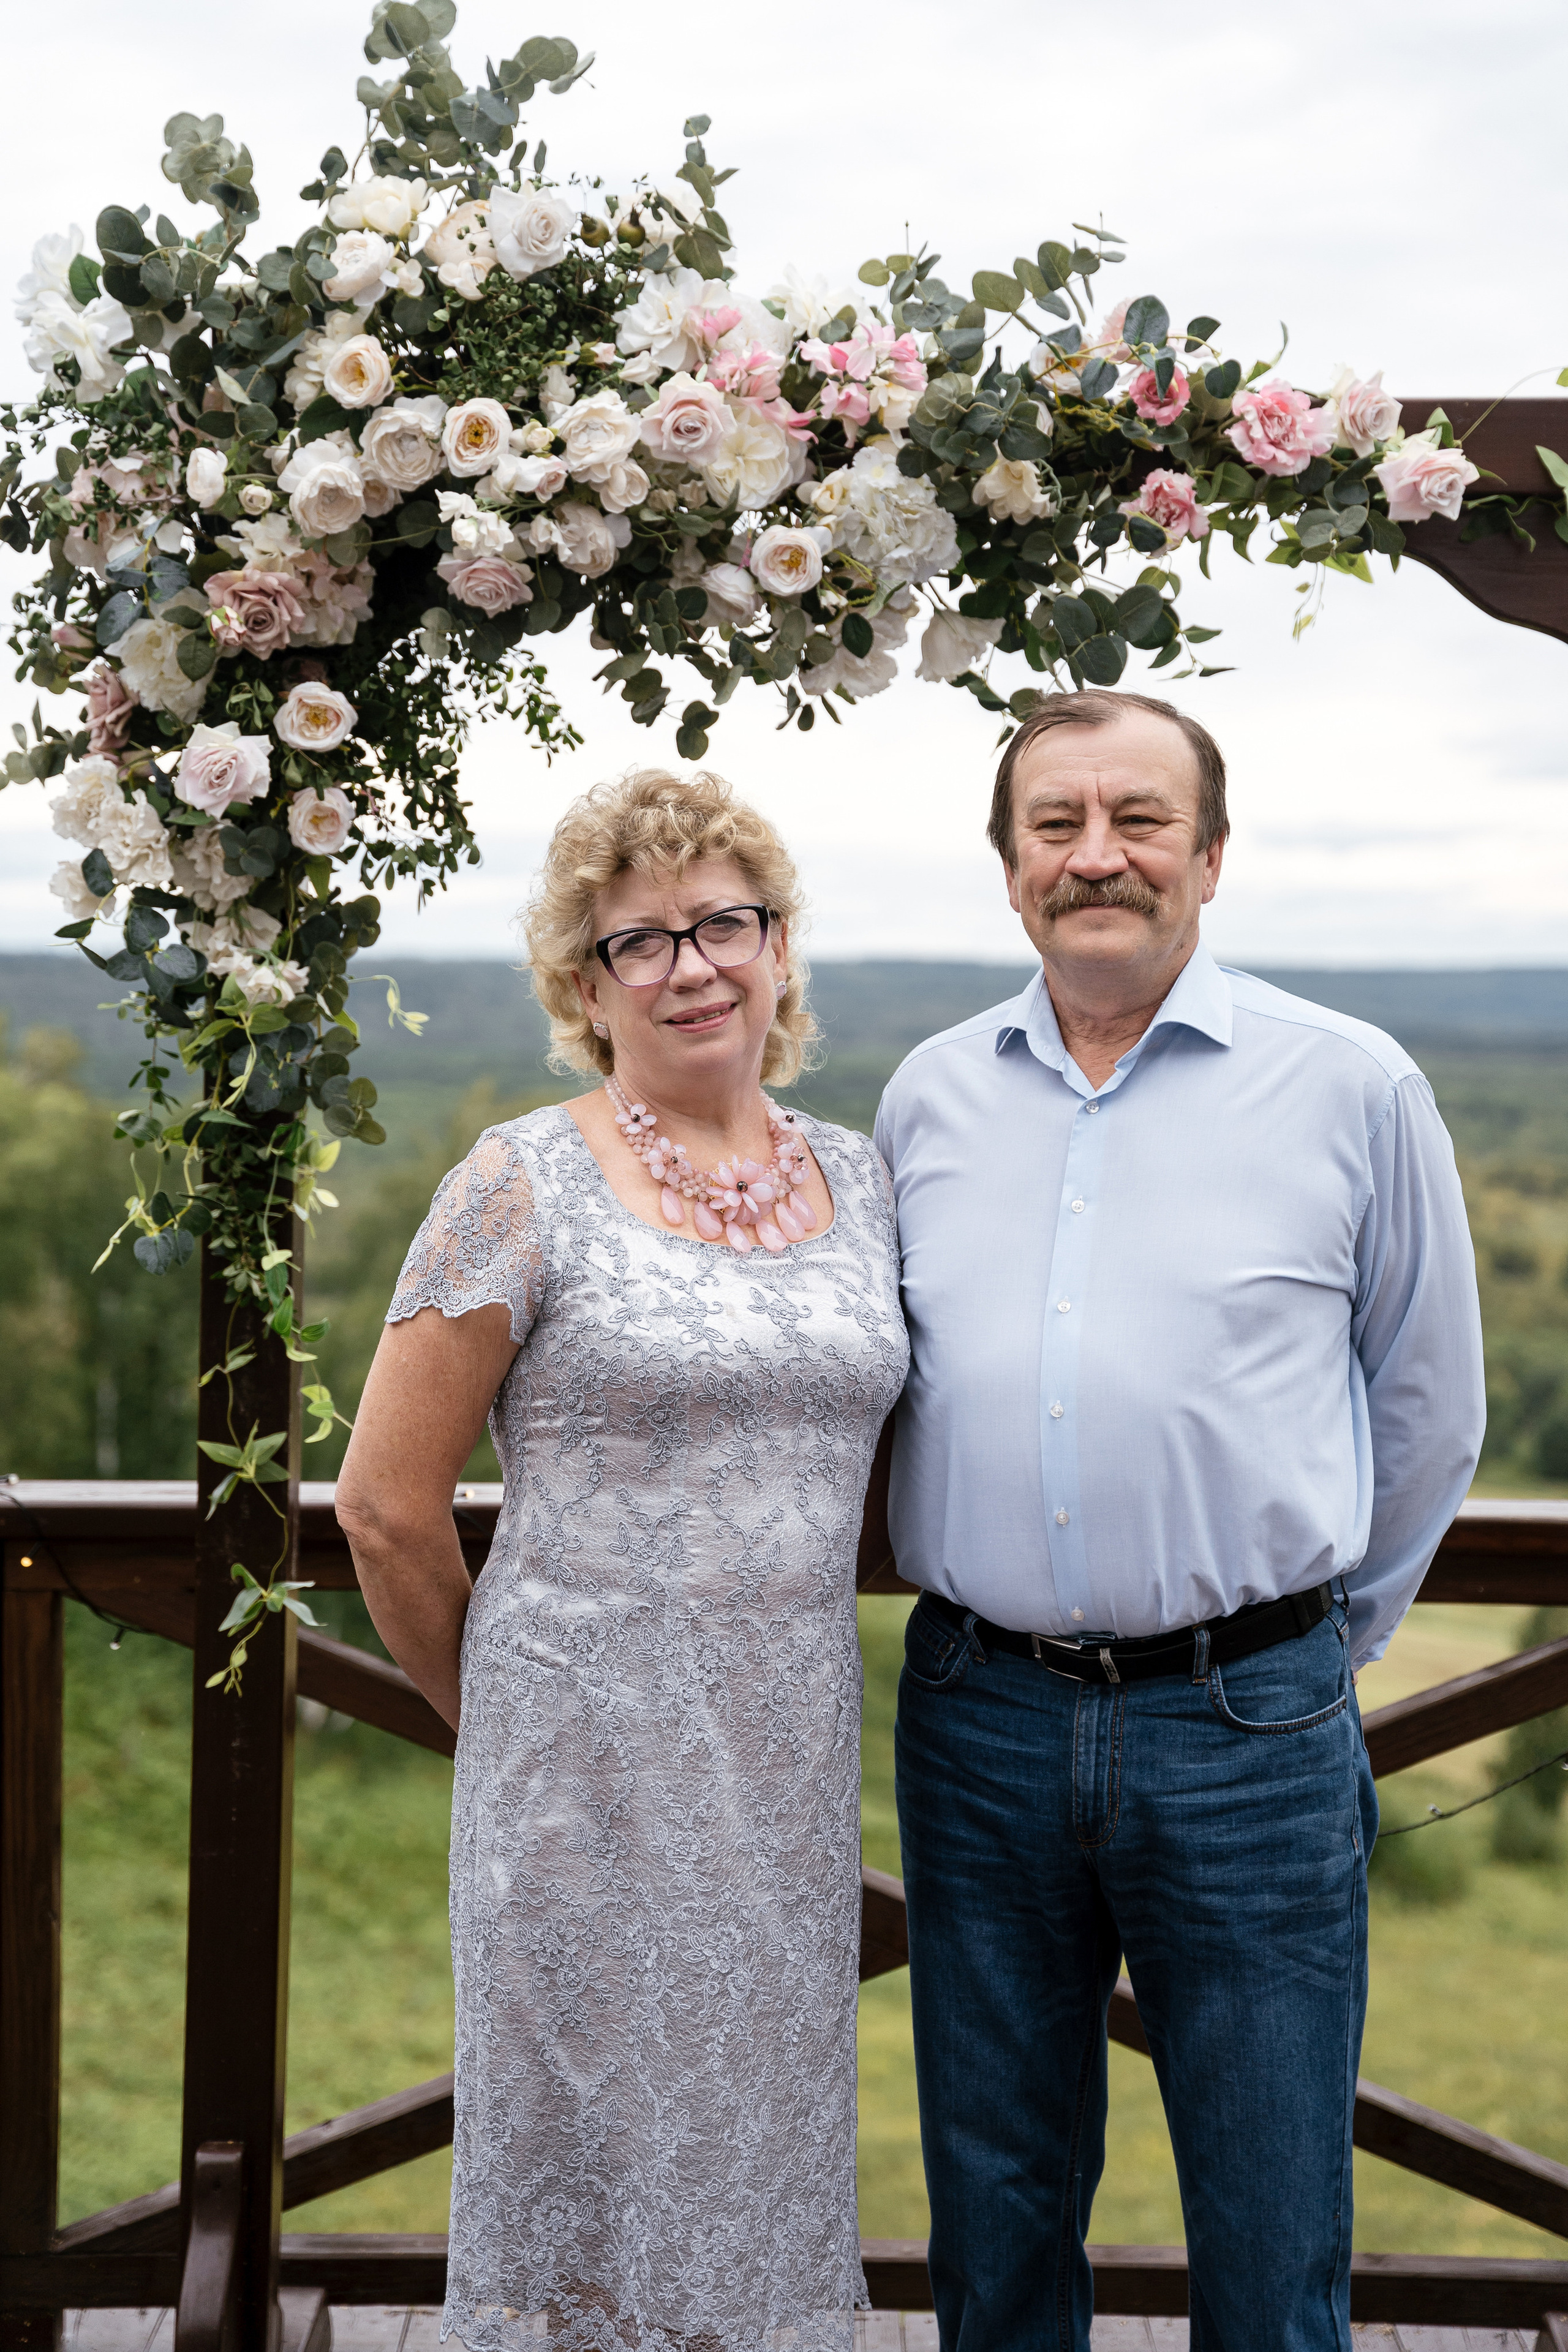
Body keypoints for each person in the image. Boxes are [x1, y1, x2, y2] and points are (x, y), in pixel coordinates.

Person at [873, 690, 1485, 2352]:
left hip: (1251, 1725)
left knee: (1275, 2224)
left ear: (1211, 856)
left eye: (1139, 819)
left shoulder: (1353, 1086)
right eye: (1055, 824)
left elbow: (1429, 1410)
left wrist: (1297, 1645)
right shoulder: (928, 1100)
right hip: (977, 1716)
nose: (1098, 856)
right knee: (994, 2214)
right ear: (1009, 870)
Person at [335, 767, 908, 2352]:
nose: (691, 965)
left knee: (761, 2151)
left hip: (787, 1768)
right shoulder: (521, 1183)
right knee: (585, 2170)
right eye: (638, 940)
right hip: (576, 1772)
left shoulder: (863, 1180)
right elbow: (385, 1505)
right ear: (584, 988)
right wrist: (511, 1722)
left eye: (727, 922)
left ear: (780, 948)